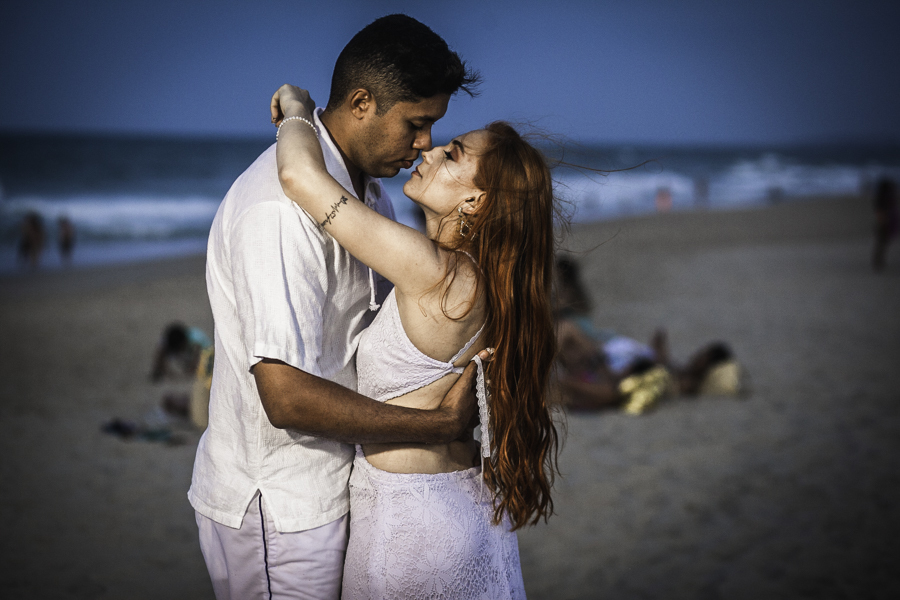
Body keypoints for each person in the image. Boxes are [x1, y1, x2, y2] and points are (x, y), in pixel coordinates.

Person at [188, 15, 484, 600]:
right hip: (281, 504)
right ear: (362, 102)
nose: (423, 143)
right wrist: (437, 426)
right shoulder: (279, 212)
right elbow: (285, 394)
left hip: (334, 485)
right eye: (417, 124)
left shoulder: (366, 193)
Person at [271, 78, 559, 598]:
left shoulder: (435, 273)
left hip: (408, 525)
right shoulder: (488, 281)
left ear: (475, 200)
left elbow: (298, 177)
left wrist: (297, 109)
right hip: (466, 507)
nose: (428, 150)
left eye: (453, 154)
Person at [553, 256, 741, 414]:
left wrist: (659, 355)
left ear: (708, 364)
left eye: (704, 354)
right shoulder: (679, 370)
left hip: (607, 361)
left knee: (566, 328)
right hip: (610, 357)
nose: (698, 354)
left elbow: (659, 378)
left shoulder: (685, 381)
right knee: (566, 324)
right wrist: (659, 352)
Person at [872, 177, 898, 271]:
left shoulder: (883, 198)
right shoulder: (884, 199)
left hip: (884, 223)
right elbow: (879, 212)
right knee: (881, 243)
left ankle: (879, 261)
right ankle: (878, 262)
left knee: (882, 244)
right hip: (884, 223)